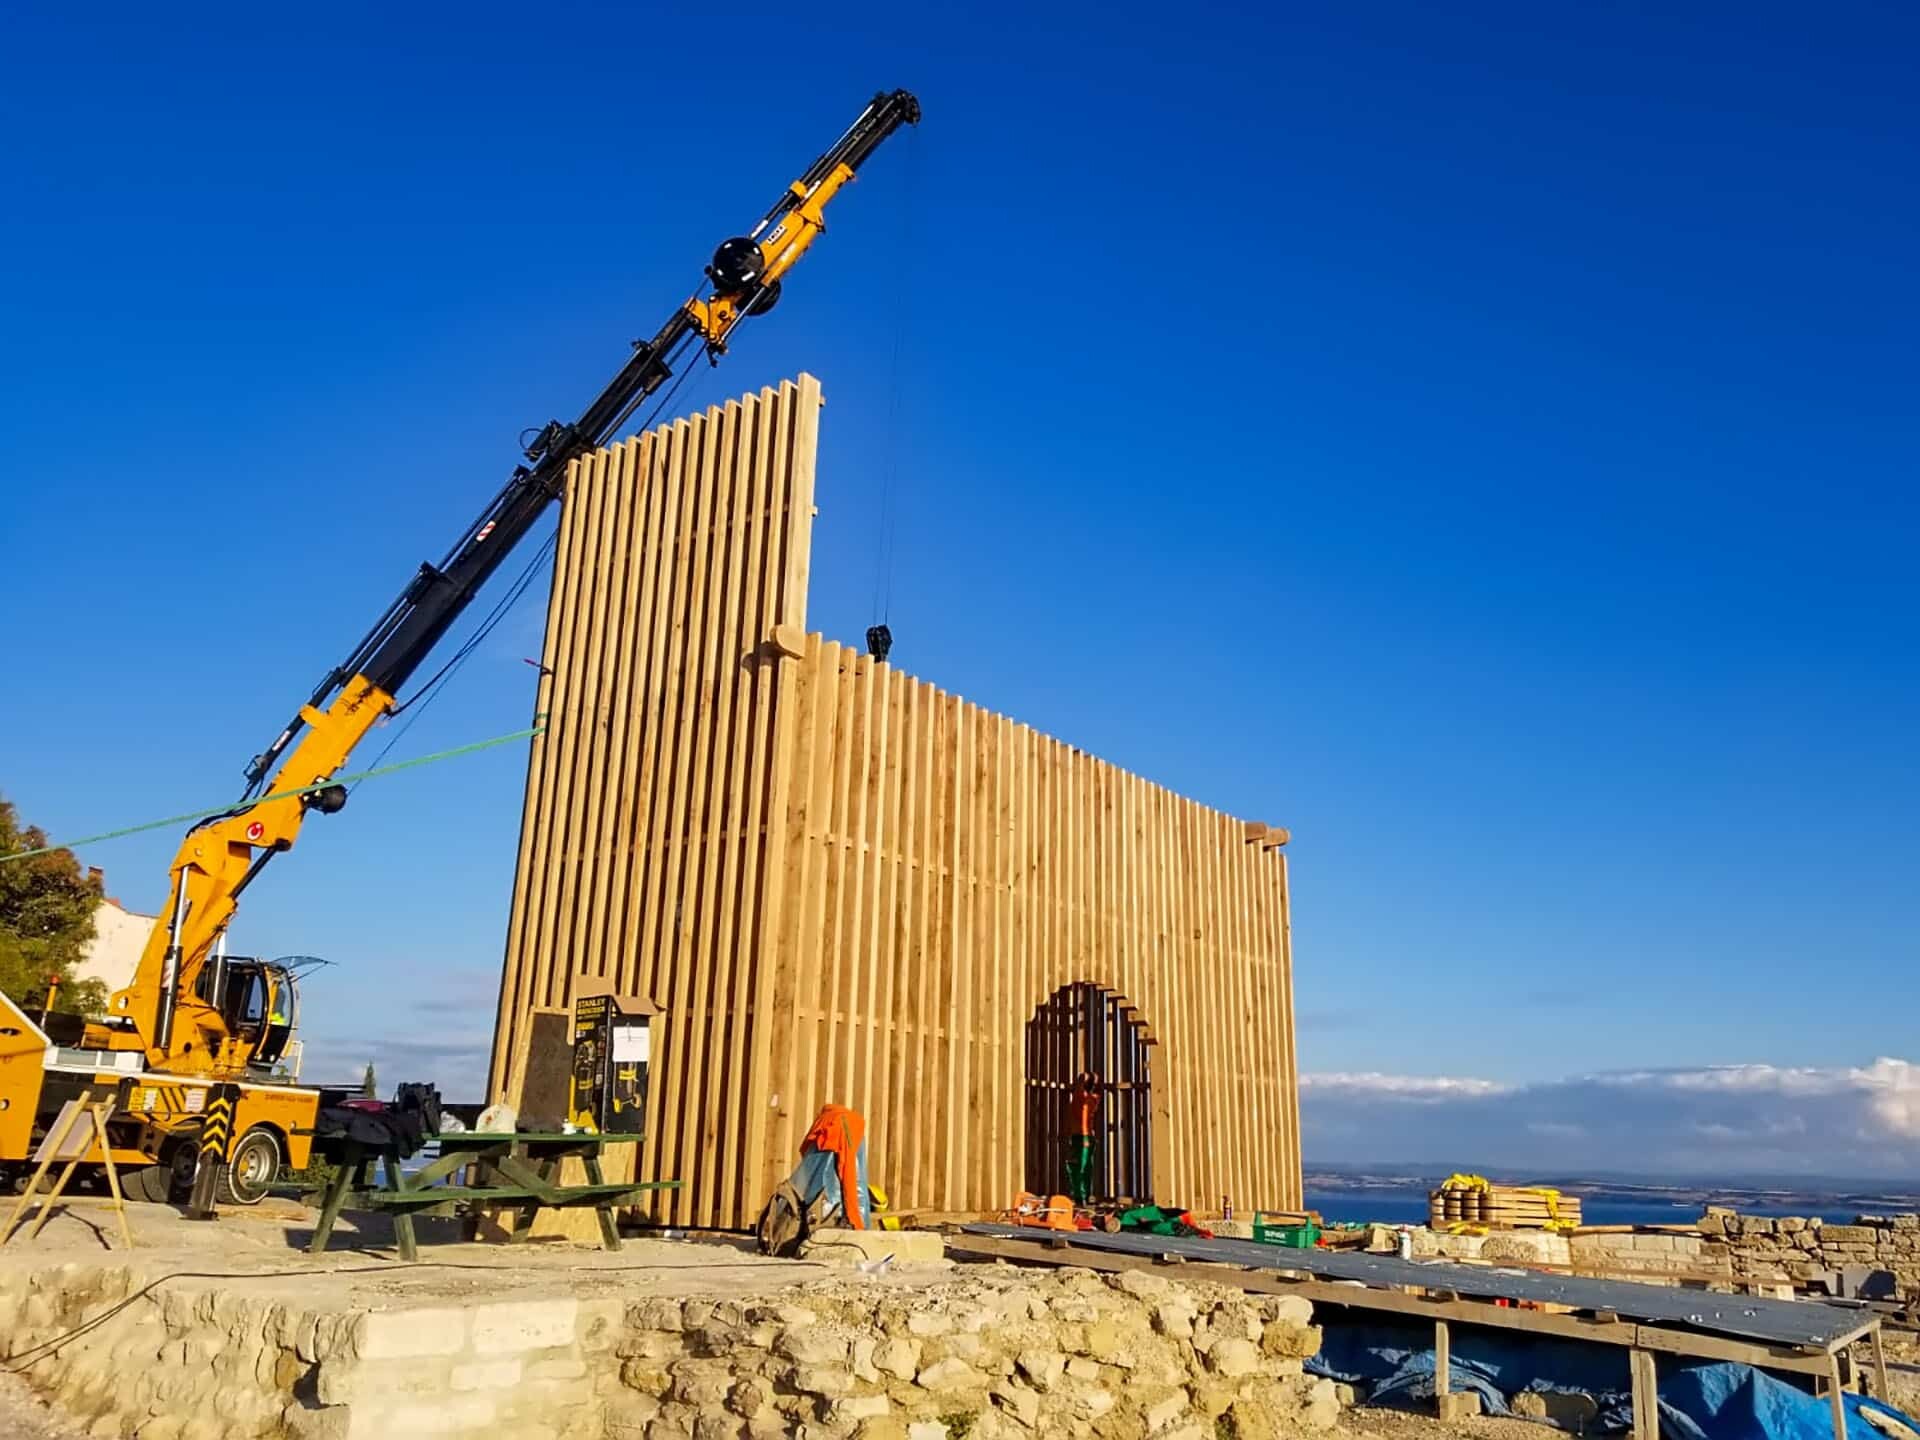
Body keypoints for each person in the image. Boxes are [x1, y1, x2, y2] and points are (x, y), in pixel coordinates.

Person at [1066, 1071, 1100, 1207]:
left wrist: (1082, 1079)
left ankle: (1081, 1196)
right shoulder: (1091, 1098)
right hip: (1084, 1136)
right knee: (1083, 1167)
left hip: (1082, 1136)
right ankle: (1081, 1195)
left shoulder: (1084, 1098)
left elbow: (1084, 1118)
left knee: (1080, 1166)